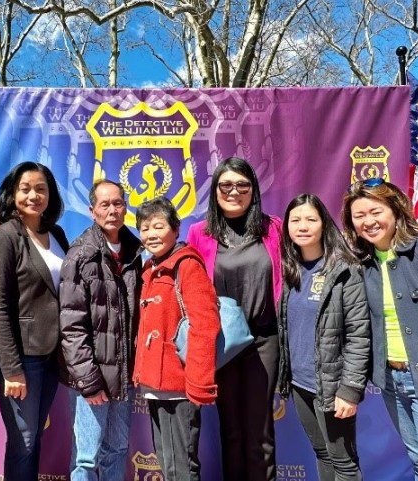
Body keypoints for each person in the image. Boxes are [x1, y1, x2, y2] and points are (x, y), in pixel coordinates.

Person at [342, 178, 418, 481]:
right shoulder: (364, 265)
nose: (368, 222)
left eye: (376, 211)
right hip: (392, 382)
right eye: (359, 216)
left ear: (395, 210)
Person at [186, 157, 282, 481]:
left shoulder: (274, 228)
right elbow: (192, 286)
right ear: (215, 191)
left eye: (242, 184)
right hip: (223, 341)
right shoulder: (199, 233)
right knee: (231, 430)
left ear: (253, 190)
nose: (234, 191)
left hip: (264, 340)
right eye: (226, 185)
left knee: (260, 432)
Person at [0, 161, 69, 481]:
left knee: (35, 440)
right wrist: (11, 367)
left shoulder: (56, 234)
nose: (34, 195)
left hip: (52, 354)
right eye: (26, 188)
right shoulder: (3, 237)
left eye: (41, 188)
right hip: (23, 358)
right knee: (25, 441)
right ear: (12, 193)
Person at [277, 193, 370, 481]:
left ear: (324, 224)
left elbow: (359, 333)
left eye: (310, 219)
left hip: (331, 386)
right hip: (300, 383)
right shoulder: (291, 270)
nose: (302, 226)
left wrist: (350, 389)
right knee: (322, 452)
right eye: (295, 220)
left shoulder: (344, 270)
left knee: (343, 462)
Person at [59, 179, 143, 481]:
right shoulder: (81, 254)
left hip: (123, 376)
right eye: (105, 205)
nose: (112, 210)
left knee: (118, 449)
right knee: (86, 458)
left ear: (125, 207)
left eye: (117, 203)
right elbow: (71, 325)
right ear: (92, 210)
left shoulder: (137, 251)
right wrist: (89, 381)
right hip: (92, 379)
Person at [133, 197, 220, 481]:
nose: (151, 234)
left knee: (181, 465)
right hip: (157, 383)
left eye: (158, 226)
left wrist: (198, 384)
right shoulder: (151, 268)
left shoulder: (187, 266)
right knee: (169, 461)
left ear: (175, 228)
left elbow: (205, 326)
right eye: (145, 228)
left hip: (179, 383)